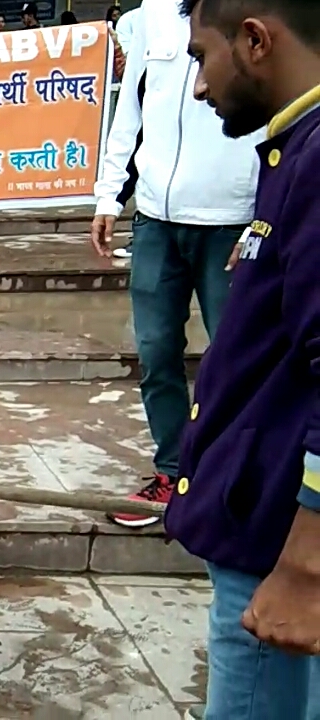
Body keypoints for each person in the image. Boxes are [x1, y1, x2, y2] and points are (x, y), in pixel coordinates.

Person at [168, 0, 320, 715]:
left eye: (202, 56)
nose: (199, 85)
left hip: (277, 548)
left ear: (255, 40)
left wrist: (305, 561)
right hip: (262, 524)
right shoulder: (293, 156)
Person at [90, 0, 260, 530]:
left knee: (235, 358)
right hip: (157, 220)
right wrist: (107, 196)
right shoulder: (152, 15)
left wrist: (264, 214)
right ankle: (172, 470)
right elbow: (131, 110)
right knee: (156, 352)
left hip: (232, 219)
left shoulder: (252, 11)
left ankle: (234, 477)